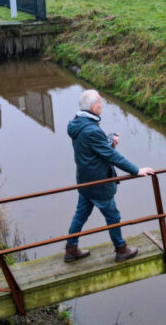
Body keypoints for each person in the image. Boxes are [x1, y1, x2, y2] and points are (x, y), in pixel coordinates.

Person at [64, 90, 155, 263]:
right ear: (92, 107)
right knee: (113, 217)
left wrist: (108, 141)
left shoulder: (78, 123)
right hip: (99, 183)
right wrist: (136, 170)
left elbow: (94, 150)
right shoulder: (91, 129)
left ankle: (71, 249)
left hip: (85, 181)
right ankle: (121, 250)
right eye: (100, 104)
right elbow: (111, 157)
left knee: (80, 215)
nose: (102, 106)